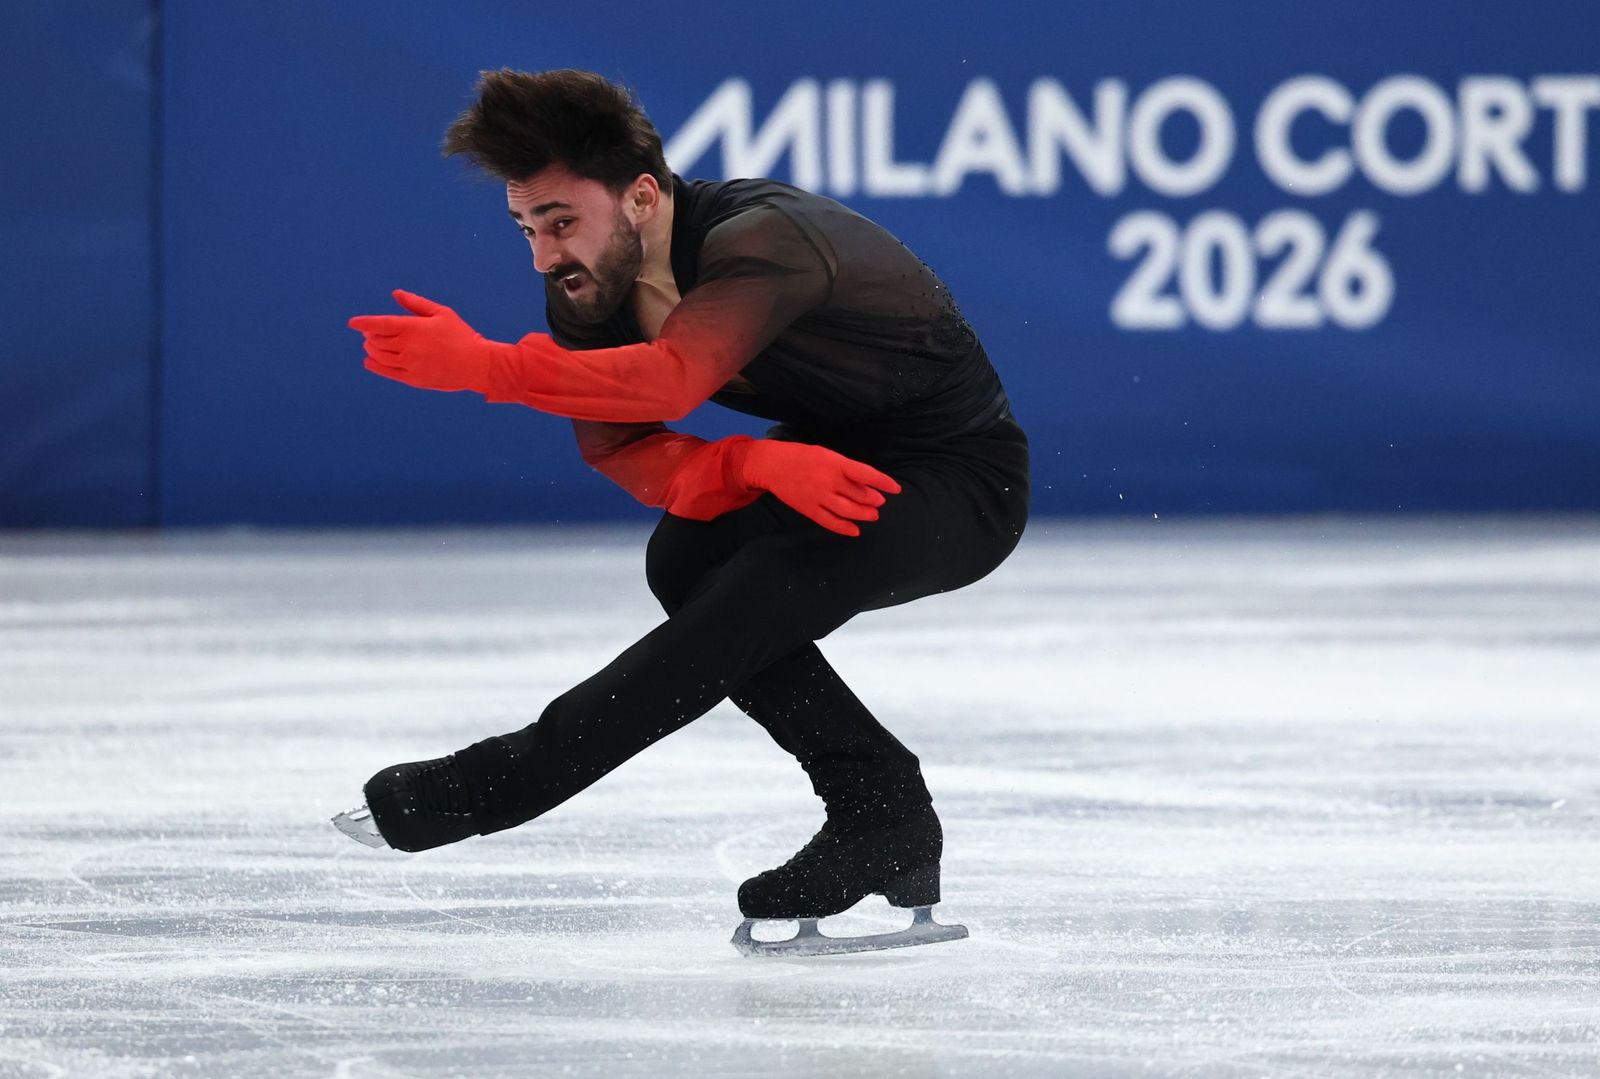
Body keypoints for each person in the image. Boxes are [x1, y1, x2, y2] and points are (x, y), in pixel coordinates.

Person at [339, 68, 1029, 952]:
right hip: (820, 456)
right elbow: (623, 449)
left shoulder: (764, 239)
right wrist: (751, 458)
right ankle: (880, 808)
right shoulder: (589, 287)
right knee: (684, 557)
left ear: (639, 194)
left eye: (559, 223)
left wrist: (491, 367)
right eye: (526, 228)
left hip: (960, 477)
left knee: (764, 581)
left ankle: (505, 780)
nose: (545, 257)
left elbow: (673, 378)